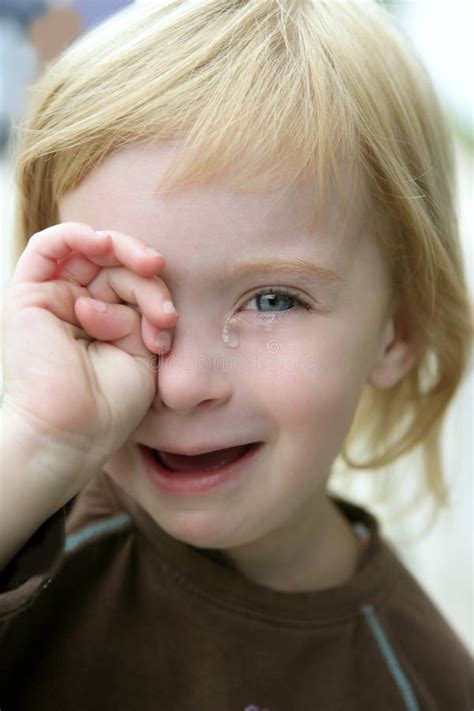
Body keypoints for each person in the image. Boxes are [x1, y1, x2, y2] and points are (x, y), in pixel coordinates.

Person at [1, 1, 473, 708]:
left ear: (396, 333)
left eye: (275, 299)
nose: (184, 383)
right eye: (127, 297)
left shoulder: (421, 683)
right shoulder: (29, 533)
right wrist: (36, 444)